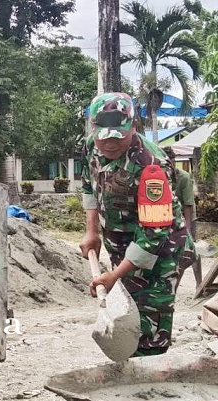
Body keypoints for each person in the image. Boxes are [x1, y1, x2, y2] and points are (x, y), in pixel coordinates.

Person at [78, 92, 195, 356]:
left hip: (162, 255)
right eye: (103, 135)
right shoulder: (89, 147)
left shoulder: (151, 165)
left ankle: (149, 384)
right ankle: (132, 372)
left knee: (151, 331)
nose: (109, 143)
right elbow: (88, 186)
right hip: (123, 249)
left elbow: (153, 236)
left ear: (132, 126)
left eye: (118, 135)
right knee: (130, 315)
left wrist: (114, 276)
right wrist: (91, 232)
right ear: (93, 127)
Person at [164, 146, 201, 286]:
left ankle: (199, 283)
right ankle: (174, 285)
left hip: (188, 217)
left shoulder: (183, 177)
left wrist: (188, 231)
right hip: (172, 219)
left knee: (191, 251)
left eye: (172, 161)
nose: (170, 165)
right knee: (176, 254)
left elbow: (188, 205)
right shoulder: (162, 176)